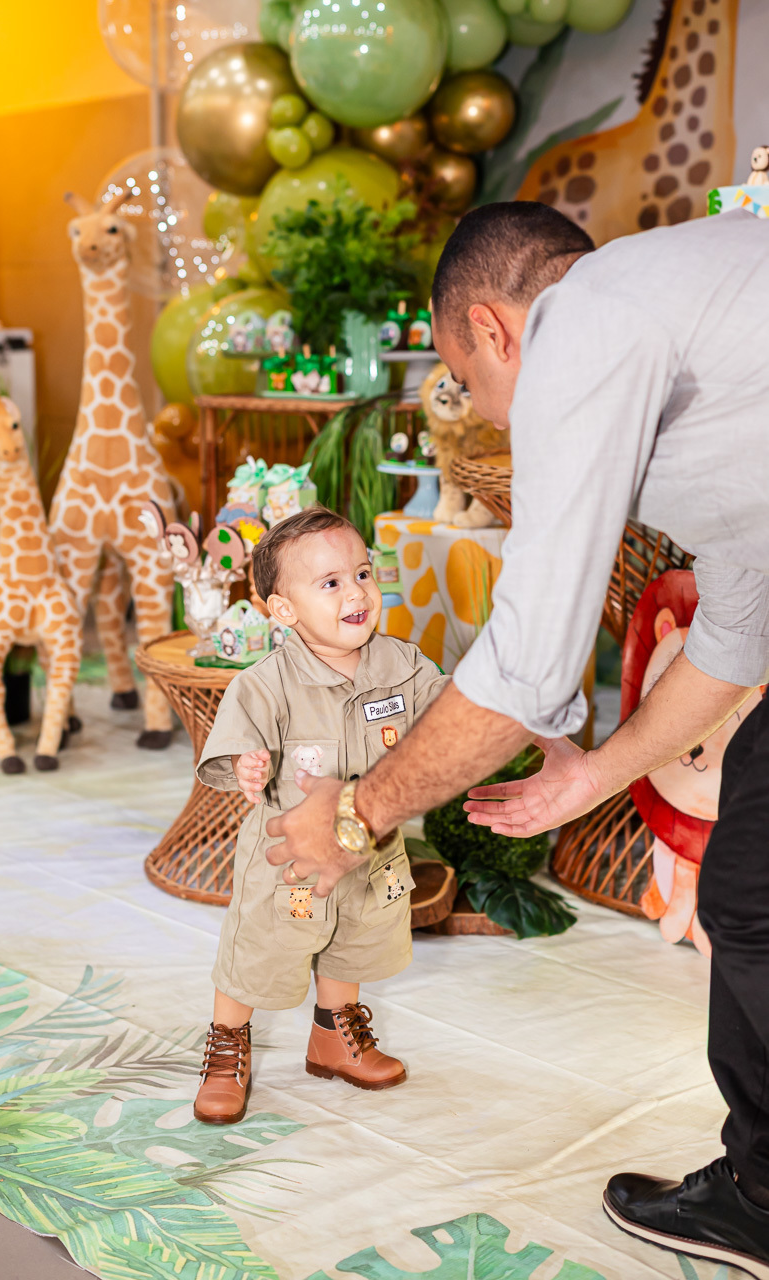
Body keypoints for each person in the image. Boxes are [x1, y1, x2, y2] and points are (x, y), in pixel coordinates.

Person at [264, 202, 769, 1279]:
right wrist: (592, 775)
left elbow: (524, 670)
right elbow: (735, 640)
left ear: (493, 330)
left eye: (467, 384)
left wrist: (357, 813)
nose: (491, 419)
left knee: (756, 899)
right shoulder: (706, 348)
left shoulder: (586, 315)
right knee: (750, 892)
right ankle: (763, 1191)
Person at [192, 506, 448, 1125]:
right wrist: (247, 765)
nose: (356, 592)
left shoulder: (403, 665)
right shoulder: (265, 683)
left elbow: (452, 714)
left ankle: (334, 1037)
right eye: (330, 582)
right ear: (284, 610)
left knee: (356, 941)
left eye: (362, 573)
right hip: (291, 863)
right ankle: (227, 1046)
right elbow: (235, 745)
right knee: (260, 949)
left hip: (371, 851)